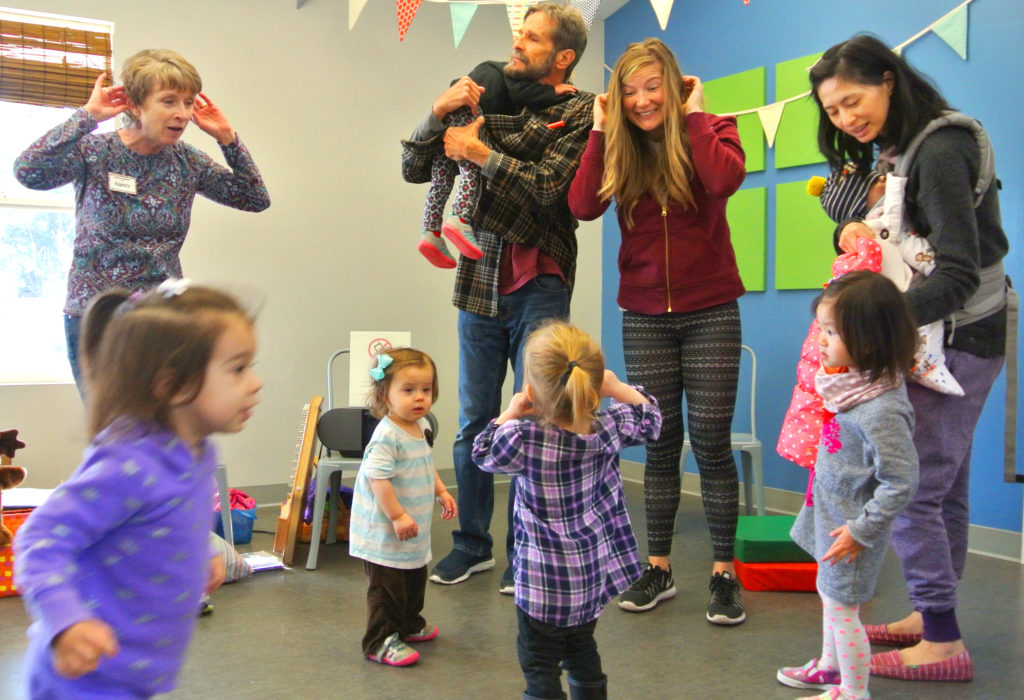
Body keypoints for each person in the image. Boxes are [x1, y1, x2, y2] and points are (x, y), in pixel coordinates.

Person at [809, 34, 1009, 682]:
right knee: (941, 489)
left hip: (965, 334)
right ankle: (933, 616)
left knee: (915, 488)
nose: (845, 119)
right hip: (945, 335)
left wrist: (872, 325)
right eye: (832, 110)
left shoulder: (940, 149)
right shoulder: (902, 149)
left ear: (888, 80)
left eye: (852, 100)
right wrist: (853, 231)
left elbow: (954, 273)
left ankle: (943, 642)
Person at [401, 2, 593, 593]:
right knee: (474, 423)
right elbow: (416, 165)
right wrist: (437, 115)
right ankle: (473, 545)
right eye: (520, 33)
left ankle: (527, 550)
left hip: (542, 282)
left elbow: (548, 188)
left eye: (533, 39)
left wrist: (480, 146)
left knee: (536, 422)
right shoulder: (484, 90)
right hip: (477, 280)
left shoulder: (581, 110)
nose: (519, 45)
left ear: (563, 56)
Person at [568, 38, 748, 623]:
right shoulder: (618, 146)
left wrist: (695, 115)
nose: (642, 101)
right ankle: (660, 568)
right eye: (630, 90)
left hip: (712, 307)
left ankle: (724, 574)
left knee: (714, 442)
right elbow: (581, 206)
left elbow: (722, 182)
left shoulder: (713, 128)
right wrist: (598, 131)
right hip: (644, 314)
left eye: (653, 88)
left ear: (675, 87)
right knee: (660, 442)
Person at [13, 279, 262, 698]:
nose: (255, 383)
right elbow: (40, 539)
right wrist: (65, 621)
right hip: (82, 678)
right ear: (170, 384)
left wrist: (200, 551)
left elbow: (165, 514)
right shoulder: (128, 461)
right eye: (237, 368)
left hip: (136, 675)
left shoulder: (196, 452)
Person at [13, 49, 270, 395]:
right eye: (169, 101)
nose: (182, 114)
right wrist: (86, 117)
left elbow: (255, 199)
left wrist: (227, 138)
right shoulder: (94, 152)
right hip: (96, 319)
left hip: (164, 320)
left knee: (167, 426)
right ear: (135, 104)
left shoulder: (188, 162)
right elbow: (28, 171)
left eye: (189, 102)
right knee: (113, 430)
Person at [472, 320, 662, 700]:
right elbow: (651, 419)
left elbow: (482, 452)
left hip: (542, 586)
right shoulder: (610, 428)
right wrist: (619, 388)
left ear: (530, 391)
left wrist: (509, 412)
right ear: (594, 386)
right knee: (581, 651)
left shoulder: (521, 439)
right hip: (590, 578)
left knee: (540, 666)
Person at [776, 271, 919, 700]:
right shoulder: (851, 385)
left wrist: (861, 530)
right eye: (821, 328)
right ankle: (829, 667)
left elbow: (902, 480)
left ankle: (854, 691)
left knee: (843, 611)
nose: (821, 339)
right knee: (829, 597)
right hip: (832, 518)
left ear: (870, 340)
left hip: (852, 533)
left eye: (833, 331)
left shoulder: (880, 409)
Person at [348, 348, 458, 667]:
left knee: (413, 578)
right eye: (408, 390)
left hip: (411, 528)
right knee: (387, 589)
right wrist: (397, 515)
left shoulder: (420, 424)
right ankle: (379, 641)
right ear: (385, 394)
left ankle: (408, 624)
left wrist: (440, 490)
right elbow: (377, 479)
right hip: (384, 532)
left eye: (426, 389)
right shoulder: (386, 436)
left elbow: (426, 463)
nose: (419, 398)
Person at [419, 60, 578, 269]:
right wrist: (552, 91)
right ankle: (460, 217)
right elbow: (523, 92)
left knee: (442, 178)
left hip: (448, 122)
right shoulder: (507, 74)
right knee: (472, 170)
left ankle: (430, 232)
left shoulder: (482, 72)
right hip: (468, 116)